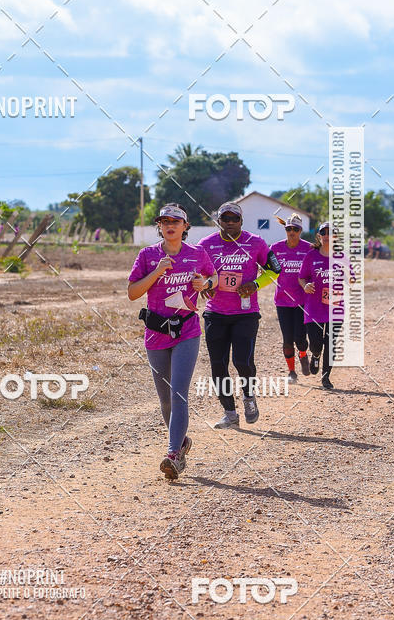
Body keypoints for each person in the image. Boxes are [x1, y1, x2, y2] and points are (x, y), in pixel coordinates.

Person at [128, 204, 216, 480]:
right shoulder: (147, 255)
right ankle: (181, 441)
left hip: (187, 331)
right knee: (165, 400)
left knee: (179, 394)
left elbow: (213, 277)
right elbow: (132, 293)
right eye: (164, 221)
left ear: (185, 226)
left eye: (175, 221)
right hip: (156, 333)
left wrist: (205, 284)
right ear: (160, 226)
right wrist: (156, 272)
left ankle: (173, 455)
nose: (169, 225)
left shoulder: (197, 253)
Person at [198, 202, 281, 429]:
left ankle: (248, 397)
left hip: (246, 313)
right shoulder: (205, 245)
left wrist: (255, 284)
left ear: (241, 221)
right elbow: (196, 272)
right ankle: (230, 413)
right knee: (218, 365)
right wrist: (205, 284)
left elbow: (275, 269)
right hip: (215, 313)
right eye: (225, 218)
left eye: (234, 218)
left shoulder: (256, 242)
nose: (230, 222)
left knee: (242, 361)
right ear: (219, 221)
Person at [297, 222, 343, 390]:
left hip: (335, 307)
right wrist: (305, 286)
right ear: (319, 236)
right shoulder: (311, 256)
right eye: (323, 232)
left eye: (330, 232)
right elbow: (301, 277)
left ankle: (326, 377)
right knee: (316, 343)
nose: (326, 235)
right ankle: (315, 355)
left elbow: (352, 279)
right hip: (314, 307)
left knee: (331, 343)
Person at [271, 213, 313, 384]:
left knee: (300, 339)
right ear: (285, 230)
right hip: (282, 300)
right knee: (287, 339)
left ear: (300, 230)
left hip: (303, 300)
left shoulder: (309, 248)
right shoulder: (276, 248)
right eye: (289, 229)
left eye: (295, 229)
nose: (292, 232)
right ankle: (291, 372)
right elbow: (268, 267)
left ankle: (303, 354)